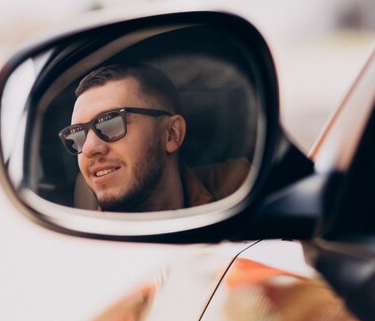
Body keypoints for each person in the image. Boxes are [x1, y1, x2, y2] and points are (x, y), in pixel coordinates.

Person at [58, 63, 249, 212]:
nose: (89, 148)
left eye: (110, 123)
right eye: (78, 134)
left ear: (171, 134)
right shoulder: (86, 246)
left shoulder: (240, 188)